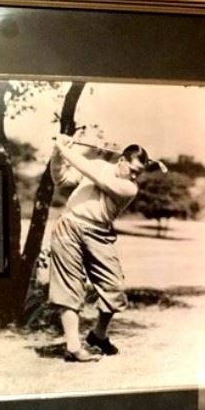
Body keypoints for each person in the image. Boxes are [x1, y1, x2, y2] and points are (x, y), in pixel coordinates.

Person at [49, 134, 151, 362]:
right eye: (132, 169)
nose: (134, 176)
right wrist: (58, 153)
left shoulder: (128, 188)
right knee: (69, 287)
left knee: (114, 287)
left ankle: (98, 335)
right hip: (69, 226)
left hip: (99, 233)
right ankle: (73, 347)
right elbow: (62, 179)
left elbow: (94, 174)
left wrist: (65, 149)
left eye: (138, 173)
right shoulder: (97, 165)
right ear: (122, 160)